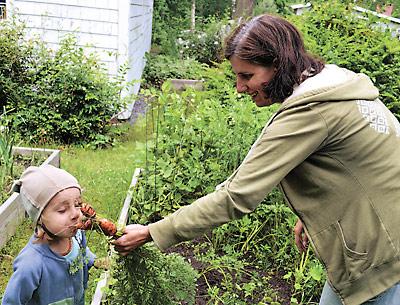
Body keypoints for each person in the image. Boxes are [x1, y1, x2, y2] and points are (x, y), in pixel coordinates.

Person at [112, 14, 400, 305]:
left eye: (247, 75)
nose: (239, 87)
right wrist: (317, 215)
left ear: (278, 64)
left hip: (385, 259)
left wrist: (153, 232)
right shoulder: (336, 85)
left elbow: (236, 196)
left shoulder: (312, 112)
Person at [1, 165, 96, 305]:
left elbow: (82, 252)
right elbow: (12, 301)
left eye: (77, 204)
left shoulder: (76, 236)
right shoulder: (31, 264)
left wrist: (95, 261)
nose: (76, 214)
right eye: (63, 210)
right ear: (39, 218)